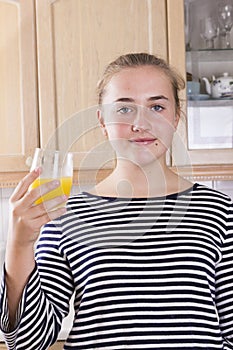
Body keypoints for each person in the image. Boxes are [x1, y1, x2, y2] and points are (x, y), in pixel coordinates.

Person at [1, 52, 233, 350]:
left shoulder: (219, 210)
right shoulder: (65, 214)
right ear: (102, 120)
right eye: (124, 109)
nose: (141, 124)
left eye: (157, 107)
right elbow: (26, 342)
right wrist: (19, 244)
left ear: (176, 118)